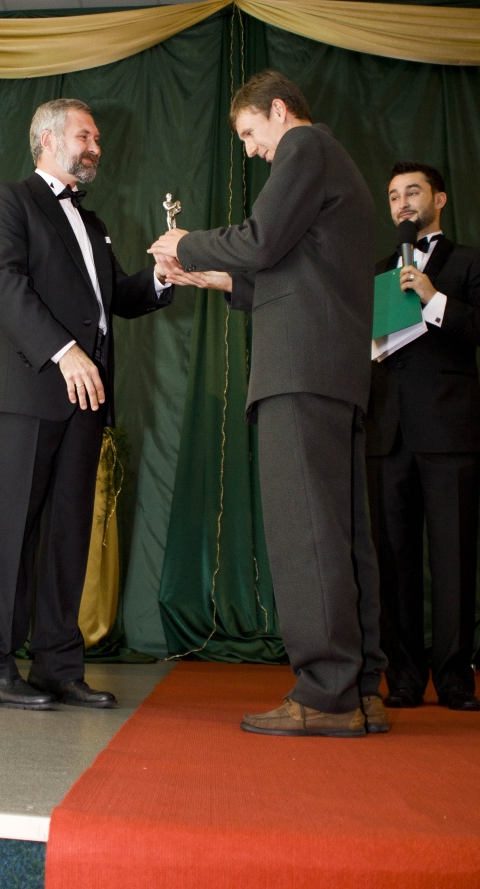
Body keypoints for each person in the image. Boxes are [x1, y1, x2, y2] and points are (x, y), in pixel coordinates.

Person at [150, 70, 387, 738]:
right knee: (341, 535)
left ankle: (325, 693)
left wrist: (183, 243)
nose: (251, 149)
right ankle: (361, 688)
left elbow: (259, 239)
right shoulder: (333, 161)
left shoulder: (304, 147)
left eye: (251, 133)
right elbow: (302, 276)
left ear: (279, 111)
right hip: (331, 369)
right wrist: (220, 280)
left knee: (304, 532)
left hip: (299, 370)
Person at [0, 98, 174, 711]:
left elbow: (115, 298)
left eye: (97, 139)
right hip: (29, 389)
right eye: (86, 136)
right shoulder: (9, 200)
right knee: (10, 531)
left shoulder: (93, 221)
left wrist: (162, 276)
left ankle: (57, 667)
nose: (96, 148)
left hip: (87, 397)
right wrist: (63, 352)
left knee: (66, 535)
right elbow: (1, 282)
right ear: (49, 139)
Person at [365, 162, 480, 712]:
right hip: (387, 435)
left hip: (450, 432)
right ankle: (405, 676)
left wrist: (434, 299)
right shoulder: (379, 271)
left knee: (453, 558)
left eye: (413, 192)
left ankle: (455, 678)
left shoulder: (469, 262)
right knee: (394, 560)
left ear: (440, 199)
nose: (403, 203)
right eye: (393, 196)